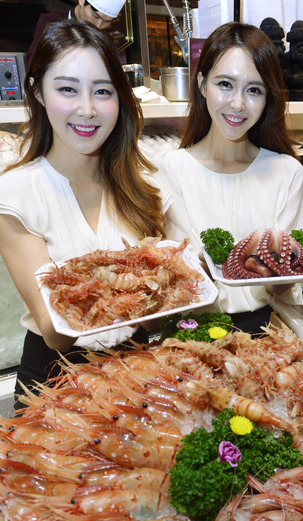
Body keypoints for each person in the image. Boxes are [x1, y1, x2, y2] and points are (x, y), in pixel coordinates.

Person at [0, 19, 175, 406]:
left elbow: (156, 317)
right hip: (55, 380)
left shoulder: (144, 186)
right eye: (67, 89)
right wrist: (134, 282)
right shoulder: (15, 194)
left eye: (102, 91)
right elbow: (54, 331)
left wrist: (176, 282)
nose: (88, 109)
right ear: (38, 92)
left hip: (138, 370)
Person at [150, 21, 303, 332]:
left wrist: (286, 271)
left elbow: (283, 286)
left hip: (271, 330)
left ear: (268, 97)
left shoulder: (286, 171)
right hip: (194, 332)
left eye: (254, 90)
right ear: (202, 84)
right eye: (225, 84)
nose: (238, 104)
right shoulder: (168, 169)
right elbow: (176, 282)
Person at [26, 0, 125, 66]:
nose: (98, 26)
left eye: (107, 21)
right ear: (82, 1)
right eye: (96, 16)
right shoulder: (50, 22)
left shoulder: (106, 39)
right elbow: (34, 62)